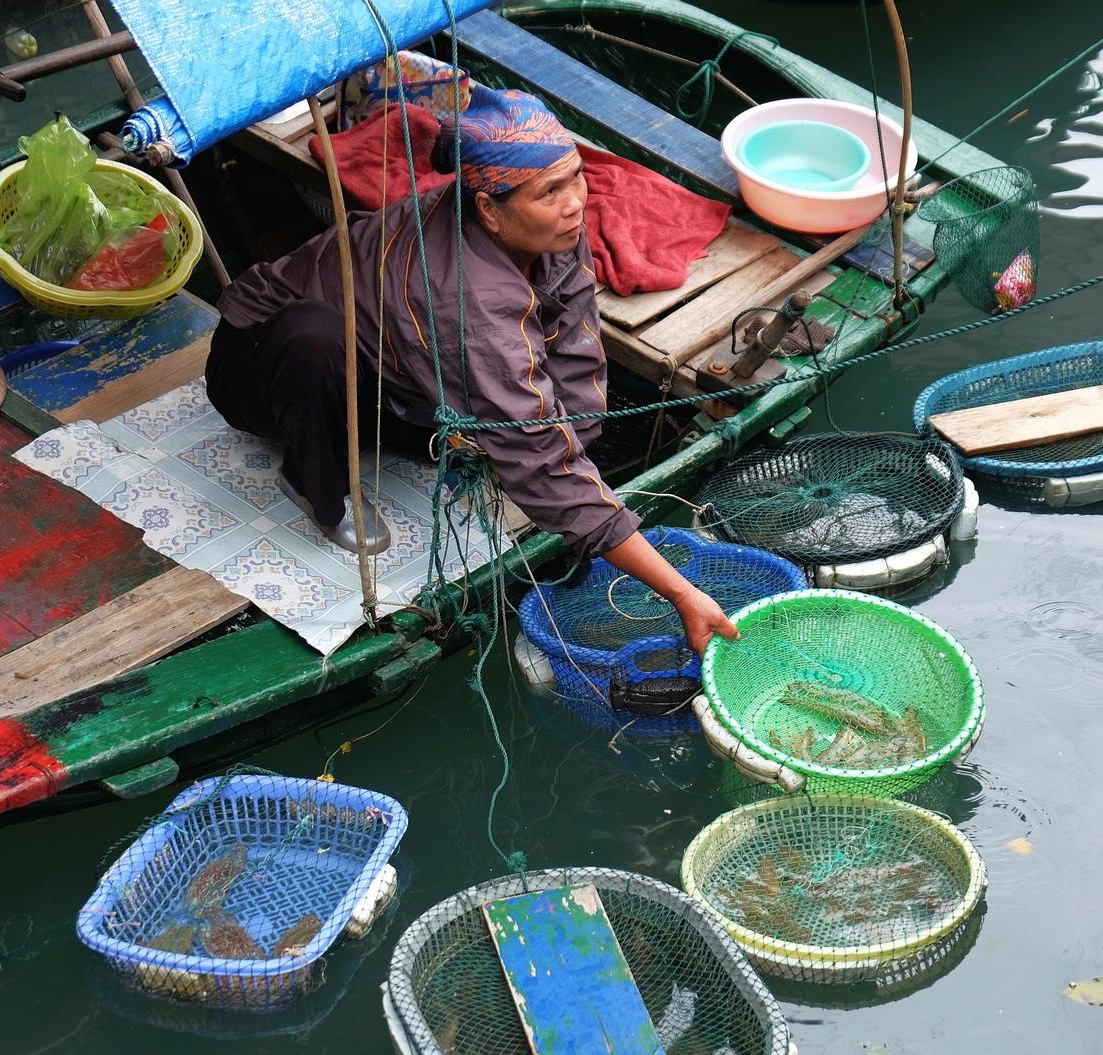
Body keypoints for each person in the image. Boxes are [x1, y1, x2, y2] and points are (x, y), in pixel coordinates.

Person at [206, 86, 738, 654]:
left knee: (528, 452)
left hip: (385, 362)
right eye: (549, 192)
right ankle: (316, 481)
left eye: (577, 177)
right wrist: (680, 593)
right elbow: (536, 458)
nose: (575, 203)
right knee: (314, 338)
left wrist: (579, 457)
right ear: (490, 210)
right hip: (262, 363)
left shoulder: (553, 231)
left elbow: (577, 351)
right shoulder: (466, 299)